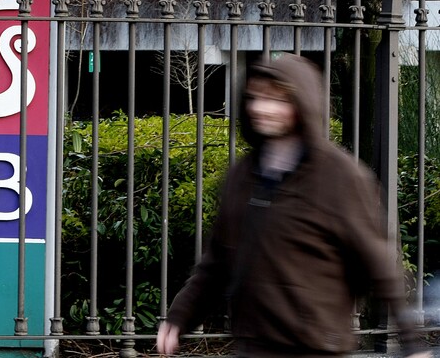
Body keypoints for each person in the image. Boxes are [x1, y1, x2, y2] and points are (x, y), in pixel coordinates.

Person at [156, 53, 430, 357]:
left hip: (313, 347)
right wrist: (179, 317)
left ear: (303, 106)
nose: (262, 108)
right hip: (254, 345)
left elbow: (378, 262)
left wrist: (411, 343)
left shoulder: (339, 175)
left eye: (278, 99)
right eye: (257, 97)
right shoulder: (242, 175)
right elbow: (218, 261)